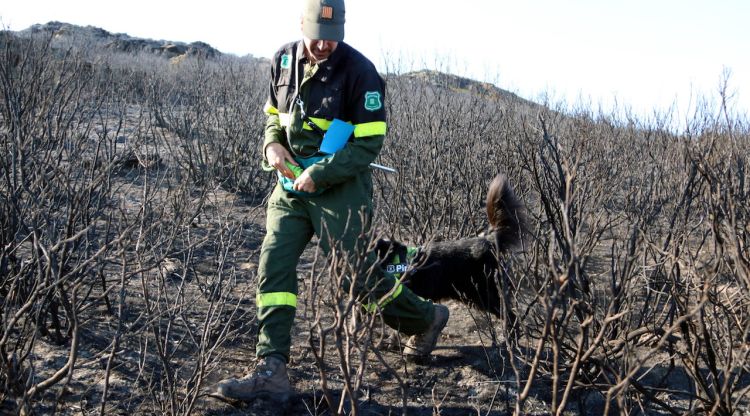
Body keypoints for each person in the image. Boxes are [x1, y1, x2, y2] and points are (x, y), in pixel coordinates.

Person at [216, 0, 449, 403]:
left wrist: (320, 173)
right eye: (317, 38)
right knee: (273, 265)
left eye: (332, 38)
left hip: (339, 189)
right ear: (301, 25)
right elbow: (273, 112)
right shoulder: (282, 59)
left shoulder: (361, 73)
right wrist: (272, 143)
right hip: (289, 188)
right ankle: (271, 366)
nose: (325, 46)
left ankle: (425, 318)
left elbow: (369, 143)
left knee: (351, 275)